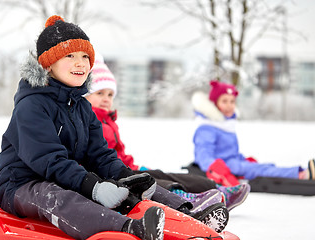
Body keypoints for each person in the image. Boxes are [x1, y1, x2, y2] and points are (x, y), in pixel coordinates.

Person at [0, 15, 229, 240]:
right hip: (22, 184)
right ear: (48, 63)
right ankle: (130, 229)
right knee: (57, 197)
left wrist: (127, 177)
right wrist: (92, 186)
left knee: (131, 184)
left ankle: (187, 213)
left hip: (64, 177)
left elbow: (100, 155)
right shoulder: (31, 106)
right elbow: (49, 160)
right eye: (70, 56)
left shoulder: (81, 107)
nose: (80, 63)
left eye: (85, 56)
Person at [85, 53, 250, 212]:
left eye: (110, 94)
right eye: (100, 93)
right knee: (152, 181)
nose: (106, 98)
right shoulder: (88, 121)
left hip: (123, 168)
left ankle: (216, 189)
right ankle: (186, 199)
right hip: (109, 175)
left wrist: (135, 166)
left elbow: (119, 154)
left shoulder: (108, 121)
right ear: (86, 95)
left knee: (161, 174)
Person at [191, 80, 315, 186]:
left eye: (232, 101)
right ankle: (301, 174)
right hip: (225, 167)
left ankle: (302, 171)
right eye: (224, 101)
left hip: (233, 163)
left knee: (264, 167)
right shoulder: (207, 128)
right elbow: (204, 156)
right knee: (260, 170)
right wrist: (217, 170)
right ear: (214, 104)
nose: (229, 106)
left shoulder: (226, 125)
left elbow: (227, 152)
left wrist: (242, 159)